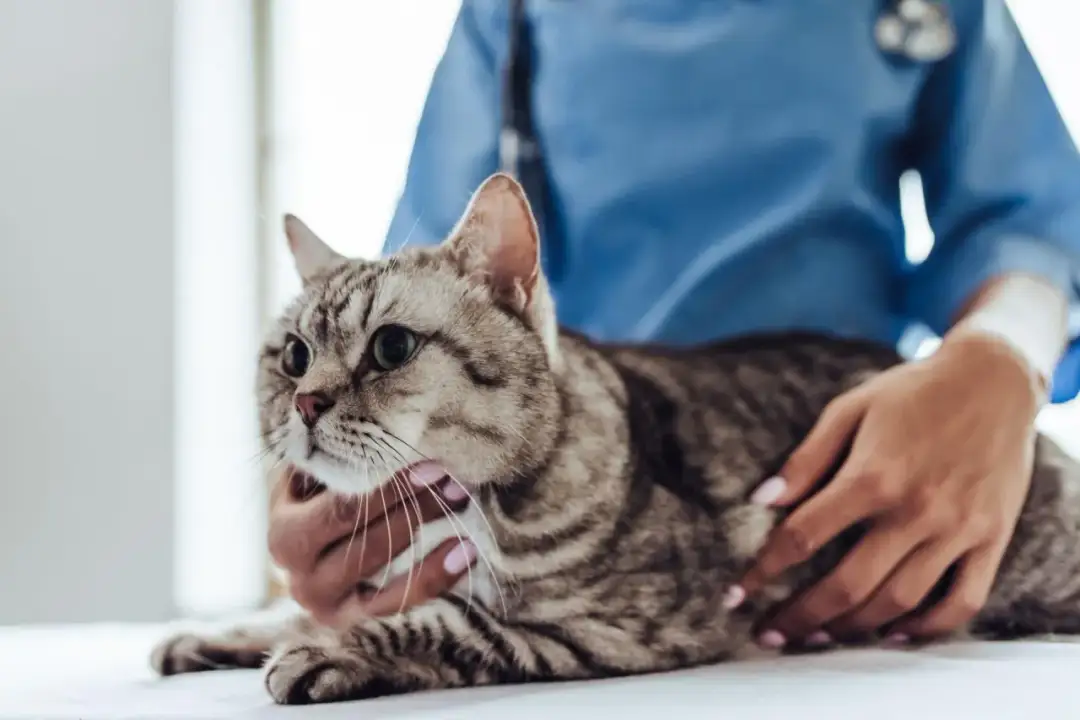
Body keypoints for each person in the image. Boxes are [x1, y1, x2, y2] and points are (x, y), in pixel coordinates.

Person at [268, 0, 1080, 647]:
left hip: (856, 477)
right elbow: (421, 288)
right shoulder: (509, 12)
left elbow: (1031, 219)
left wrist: (1001, 360)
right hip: (578, 489)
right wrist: (343, 491)